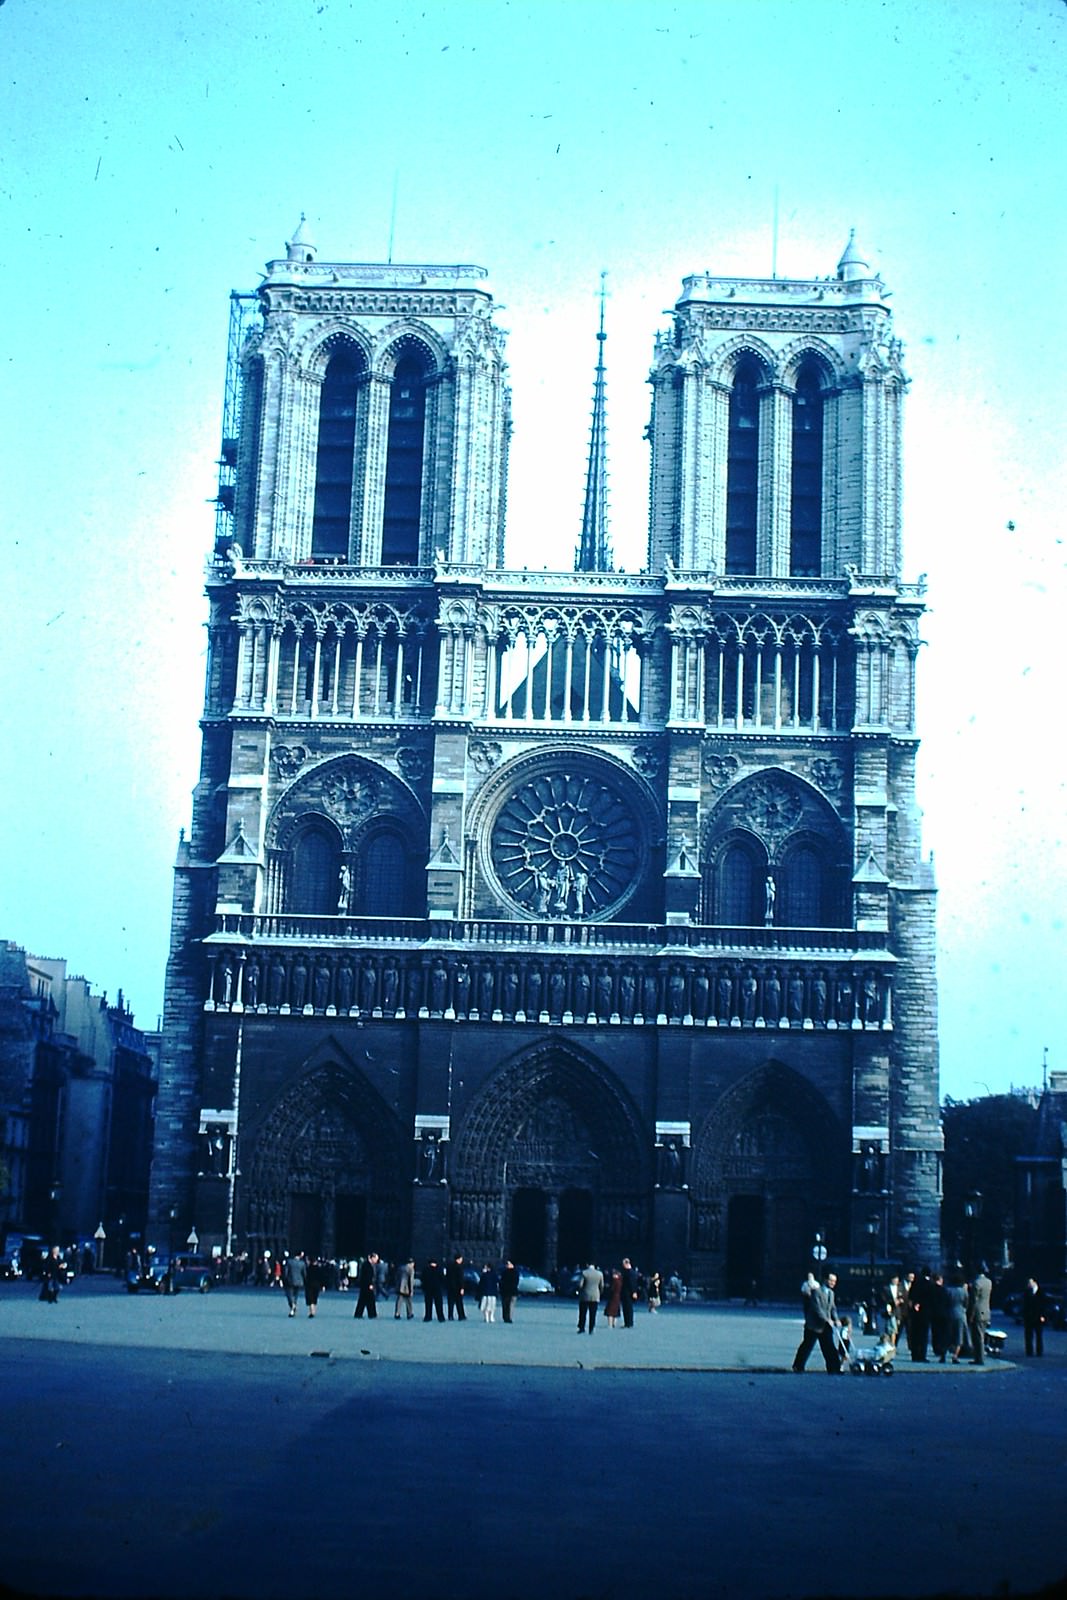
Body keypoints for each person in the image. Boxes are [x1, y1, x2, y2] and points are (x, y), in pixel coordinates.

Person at [792, 1270, 842, 1373]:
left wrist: (836, 1319)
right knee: (807, 1346)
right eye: (831, 1280)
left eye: (835, 1281)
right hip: (813, 1325)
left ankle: (834, 1368)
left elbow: (832, 1308)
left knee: (829, 1347)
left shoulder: (831, 1293)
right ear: (825, 1280)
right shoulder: (817, 1292)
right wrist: (827, 1319)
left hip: (825, 1326)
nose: (833, 1283)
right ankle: (798, 1366)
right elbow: (817, 1308)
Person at [969, 1262, 992, 1365]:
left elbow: (974, 1301)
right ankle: (979, 1357)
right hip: (986, 1311)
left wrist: (971, 1315)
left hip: (978, 1312)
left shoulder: (977, 1283)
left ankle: (979, 1358)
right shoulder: (988, 1282)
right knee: (981, 1335)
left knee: (977, 1337)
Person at [1022, 1277, 1048, 1357]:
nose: (1029, 1284)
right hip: (1029, 1317)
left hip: (1038, 1316)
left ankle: (1039, 1351)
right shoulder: (1026, 1292)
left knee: (1039, 1335)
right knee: (1028, 1335)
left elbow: (1044, 1305)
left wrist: (1043, 1315)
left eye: (1030, 1283)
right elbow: (1024, 1305)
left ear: (1035, 1283)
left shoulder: (1041, 1293)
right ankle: (1029, 1351)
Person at [577, 1262, 604, 1334]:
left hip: (585, 1296)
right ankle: (591, 1328)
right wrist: (599, 1293)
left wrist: (580, 1291)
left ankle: (582, 1327)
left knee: (583, 1313)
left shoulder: (584, 1273)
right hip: (595, 1295)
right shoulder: (599, 1274)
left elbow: (580, 1285)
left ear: (587, 1265)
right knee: (593, 1313)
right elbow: (601, 1286)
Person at [354, 1252, 379, 1319]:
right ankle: (372, 1314)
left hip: (365, 1286)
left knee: (363, 1301)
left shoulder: (367, 1264)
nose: (376, 1261)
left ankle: (359, 1313)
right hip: (367, 1285)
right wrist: (370, 1284)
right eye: (376, 1259)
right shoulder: (367, 1265)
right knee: (370, 1301)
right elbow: (367, 1276)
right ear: (372, 1258)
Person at [282, 1251, 306, 1317]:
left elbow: (285, 1272)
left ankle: (292, 1306)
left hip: (290, 1281)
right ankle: (293, 1307)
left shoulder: (289, 1262)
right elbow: (304, 1274)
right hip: (299, 1282)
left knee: (289, 1295)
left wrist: (284, 1279)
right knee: (295, 1295)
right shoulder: (302, 1263)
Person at [422, 1257, 445, 1323]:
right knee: (439, 1304)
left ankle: (428, 1316)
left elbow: (423, 1279)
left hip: (428, 1289)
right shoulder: (439, 1269)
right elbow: (442, 1279)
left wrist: (424, 1287)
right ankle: (440, 1317)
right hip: (437, 1288)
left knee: (428, 1304)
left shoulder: (426, 1269)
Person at [446, 1253, 467, 1321]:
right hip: (457, 1287)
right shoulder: (459, 1267)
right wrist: (462, 1288)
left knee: (450, 1303)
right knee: (459, 1302)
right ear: (459, 1259)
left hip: (450, 1287)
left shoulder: (449, 1266)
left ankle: (450, 1315)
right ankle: (461, 1315)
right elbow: (460, 1278)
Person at [620, 1258, 639, 1328]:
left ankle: (629, 1323)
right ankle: (627, 1322)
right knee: (626, 1308)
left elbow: (632, 1283)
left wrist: (634, 1292)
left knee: (628, 1308)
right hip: (626, 1292)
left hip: (628, 1293)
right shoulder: (630, 1272)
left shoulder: (630, 1273)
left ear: (626, 1263)